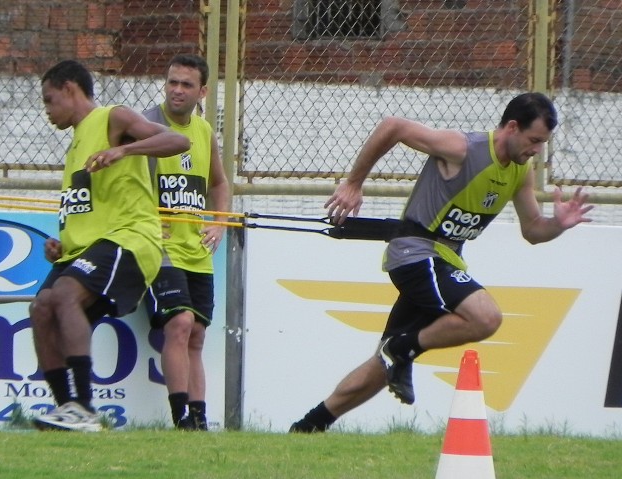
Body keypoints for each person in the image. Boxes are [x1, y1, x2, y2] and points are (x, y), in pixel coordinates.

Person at [289, 92, 594, 433]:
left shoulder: (521, 172)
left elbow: (534, 231)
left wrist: (558, 224)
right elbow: (394, 126)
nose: (537, 150)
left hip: (446, 261)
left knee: (383, 364)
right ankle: (402, 349)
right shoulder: (463, 148)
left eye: (543, 143)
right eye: (534, 140)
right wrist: (354, 183)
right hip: (416, 254)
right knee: (486, 317)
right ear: (512, 127)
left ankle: (309, 426)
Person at [30, 60, 190, 432]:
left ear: (70, 89)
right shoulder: (74, 148)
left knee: (65, 295)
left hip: (130, 238)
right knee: (41, 308)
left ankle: (84, 409)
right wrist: (60, 244)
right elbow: (86, 210)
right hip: (86, 248)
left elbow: (178, 140)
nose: (47, 111)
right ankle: (67, 408)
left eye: (50, 100)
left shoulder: (112, 119)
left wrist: (125, 151)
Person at [143, 55, 230, 430]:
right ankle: (180, 417)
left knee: (196, 334)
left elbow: (219, 184)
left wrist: (220, 223)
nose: (177, 90)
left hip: (196, 252)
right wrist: (144, 222)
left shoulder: (204, 132)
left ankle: (199, 419)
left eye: (186, 84)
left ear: (202, 91)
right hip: (159, 249)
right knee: (178, 323)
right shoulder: (146, 124)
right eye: (172, 82)